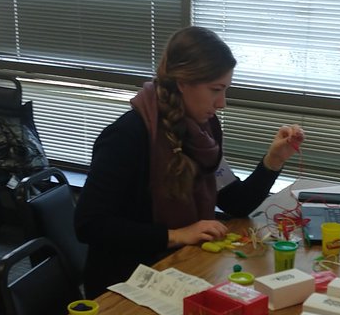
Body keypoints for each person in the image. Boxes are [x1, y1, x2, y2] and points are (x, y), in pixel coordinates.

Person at [75, 26, 305, 296]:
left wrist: (273, 160)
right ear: (183, 83)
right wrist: (176, 234)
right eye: (215, 90)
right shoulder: (127, 136)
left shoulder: (202, 130)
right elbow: (90, 225)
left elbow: (235, 202)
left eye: (225, 90)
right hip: (127, 282)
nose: (222, 103)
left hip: (184, 268)